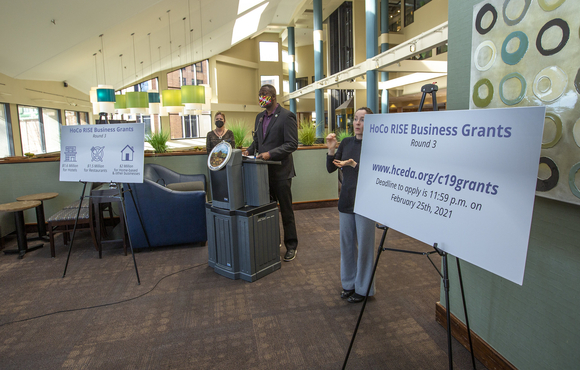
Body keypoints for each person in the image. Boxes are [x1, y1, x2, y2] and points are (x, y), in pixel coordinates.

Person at [243, 84, 299, 262]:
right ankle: (273, 242)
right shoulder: (259, 118)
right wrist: (248, 150)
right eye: (259, 95)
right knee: (268, 211)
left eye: (264, 94)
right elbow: (257, 142)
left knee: (286, 212)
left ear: (273, 97)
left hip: (281, 173)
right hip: (262, 173)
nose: (261, 98)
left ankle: (291, 245)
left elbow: (292, 144)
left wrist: (270, 154)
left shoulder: (286, 116)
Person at [326, 107, 376, 303]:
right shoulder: (346, 142)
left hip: (366, 202)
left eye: (362, 120)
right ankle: (348, 284)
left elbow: (377, 175)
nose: (357, 123)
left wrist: (354, 165)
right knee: (346, 246)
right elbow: (331, 168)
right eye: (355, 119)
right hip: (346, 200)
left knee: (364, 247)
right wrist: (331, 149)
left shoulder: (375, 146)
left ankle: (364, 289)